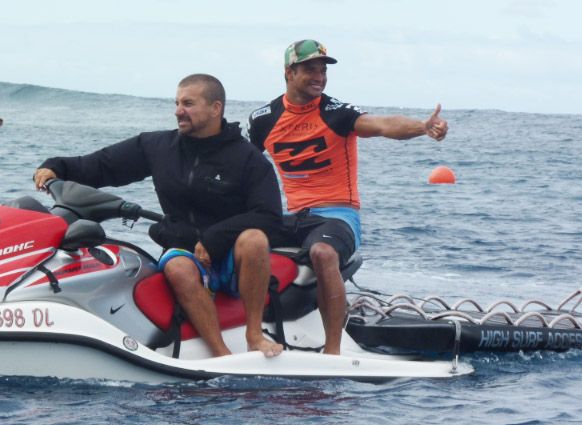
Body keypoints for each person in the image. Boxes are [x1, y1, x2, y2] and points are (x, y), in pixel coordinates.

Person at [34, 74, 284, 358]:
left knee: (254, 239)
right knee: (177, 267)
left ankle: (254, 336)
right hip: (185, 249)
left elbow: (270, 216)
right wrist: (56, 167)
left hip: (231, 254)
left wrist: (215, 238)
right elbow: (102, 165)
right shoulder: (158, 147)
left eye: (188, 103)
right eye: (177, 103)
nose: (178, 111)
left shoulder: (248, 158)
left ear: (216, 108)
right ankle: (221, 355)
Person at [248, 39, 448, 355]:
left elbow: (382, 125)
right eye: (310, 70)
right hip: (294, 217)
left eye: (322, 71)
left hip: (337, 216)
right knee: (241, 238)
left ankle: (333, 351)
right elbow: (242, 163)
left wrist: (422, 127)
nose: (319, 77)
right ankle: (245, 330)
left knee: (323, 253)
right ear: (289, 73)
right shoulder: (264, 119)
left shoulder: (335, 113)